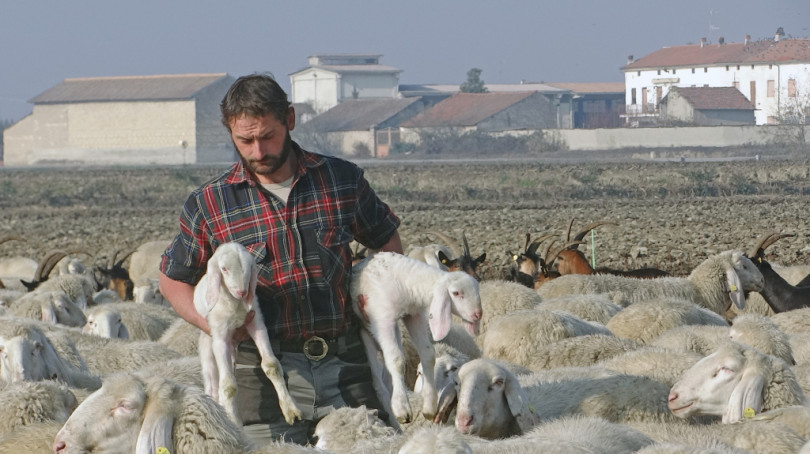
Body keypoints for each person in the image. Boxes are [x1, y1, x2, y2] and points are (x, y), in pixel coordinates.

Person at [158, 73, 403, 445]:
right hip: (262, 375)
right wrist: (212, 324)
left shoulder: (340, 180)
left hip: (347, 365)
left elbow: (387, 242)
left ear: (289, 120)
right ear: (231, 133)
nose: (258, 151)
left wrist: (379, 300)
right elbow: (173, 278)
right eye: (245, 140)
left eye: (267, 136)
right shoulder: (210, 204)